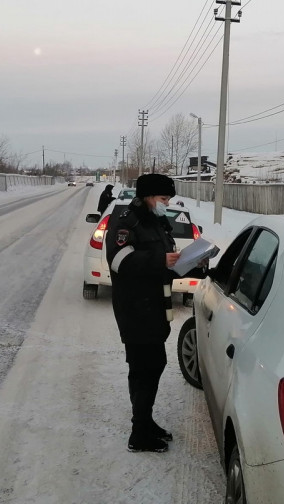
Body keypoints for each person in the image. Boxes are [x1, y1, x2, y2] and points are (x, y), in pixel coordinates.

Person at [105, 173, 180, 453]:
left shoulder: (155, 220)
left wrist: (191, 263)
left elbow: (165, 258)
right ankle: (139, 433)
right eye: (163, 198)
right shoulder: (127, 220)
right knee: (143, 369)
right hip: (135, 308)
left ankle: (145, 422)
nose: (167, 203)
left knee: (153, 365)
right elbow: (118, 260)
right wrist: (159, 259)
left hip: (154, 307)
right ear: (148, 196)